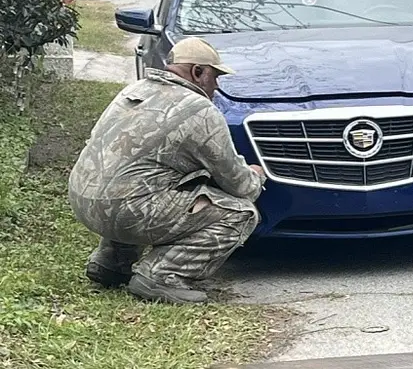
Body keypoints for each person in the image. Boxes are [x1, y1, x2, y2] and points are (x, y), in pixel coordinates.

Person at [68, 37, 267, 304]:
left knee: (142, 181)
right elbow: (238, 184)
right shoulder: (200, 111)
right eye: (214, 75)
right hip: (126, 210)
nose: (217, 85)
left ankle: (111, 262)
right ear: (198, 72)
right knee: (240, 214)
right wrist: (255, 176)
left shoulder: (133, 91)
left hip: (83, 199)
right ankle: (162, 275)